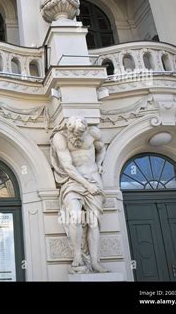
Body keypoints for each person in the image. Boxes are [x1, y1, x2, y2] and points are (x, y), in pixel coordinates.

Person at [50, 116, 108, 273]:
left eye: (82, 133)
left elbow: (101, 149)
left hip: (94, 179)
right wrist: (87, 185)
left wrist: (99, 164)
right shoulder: (60, 138)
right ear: (69, 129)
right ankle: (77, 256)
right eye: (76, 134)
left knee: (94, 222)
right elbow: (68, 167)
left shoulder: (93, 133)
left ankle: (95, 262)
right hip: (73, 181)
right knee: (75, 217)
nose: (79, 136)